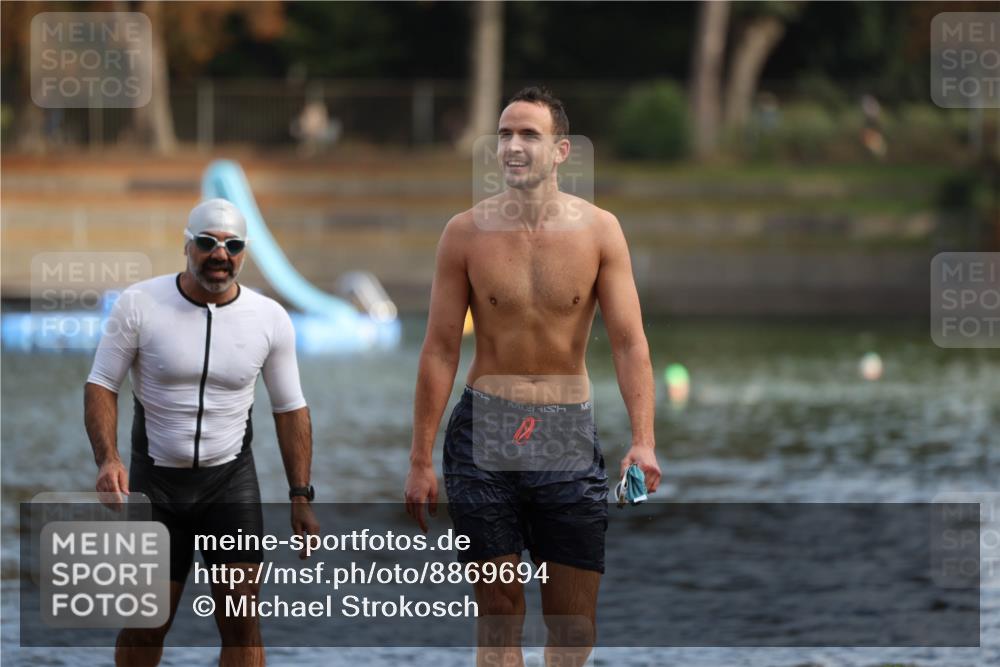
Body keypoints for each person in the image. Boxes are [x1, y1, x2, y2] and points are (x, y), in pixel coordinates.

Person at [404, 87, 662, 666]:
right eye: (504, 135)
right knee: (499, 617)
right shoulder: (464, 234)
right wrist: (421, 458)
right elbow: (440, 350)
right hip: (485, 430)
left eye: (528, 135)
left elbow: (628, 342)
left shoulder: (600, 232)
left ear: (561, 150)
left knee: (573, 625)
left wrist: (642, 440)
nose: (512, 146)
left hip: (565, 430)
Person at [84, 198, 319, 667]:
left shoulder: (268, 318)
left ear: (244, 253)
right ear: (187, 246)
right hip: (156, 487)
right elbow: (101, 384)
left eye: (232, 245)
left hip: (229, 485)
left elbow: (290, 408)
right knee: (146, 626)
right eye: (208, 243)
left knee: (241, 622)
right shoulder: (140, 303)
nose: (220, 254)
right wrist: (108, 458)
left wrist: (300, 495)